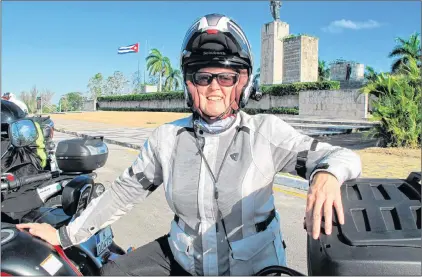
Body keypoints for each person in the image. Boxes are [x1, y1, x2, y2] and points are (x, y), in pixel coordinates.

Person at [17, 13, 362, 276]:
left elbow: (341, 155)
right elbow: (123, 194)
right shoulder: (167, 139)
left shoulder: (265, 133)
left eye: (226, 76)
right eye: (202, 76)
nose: (214, 86)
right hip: (183, 259)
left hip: (254, 269)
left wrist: (327, 175)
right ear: (189, 84)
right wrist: (64, 236)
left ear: (243, 83)